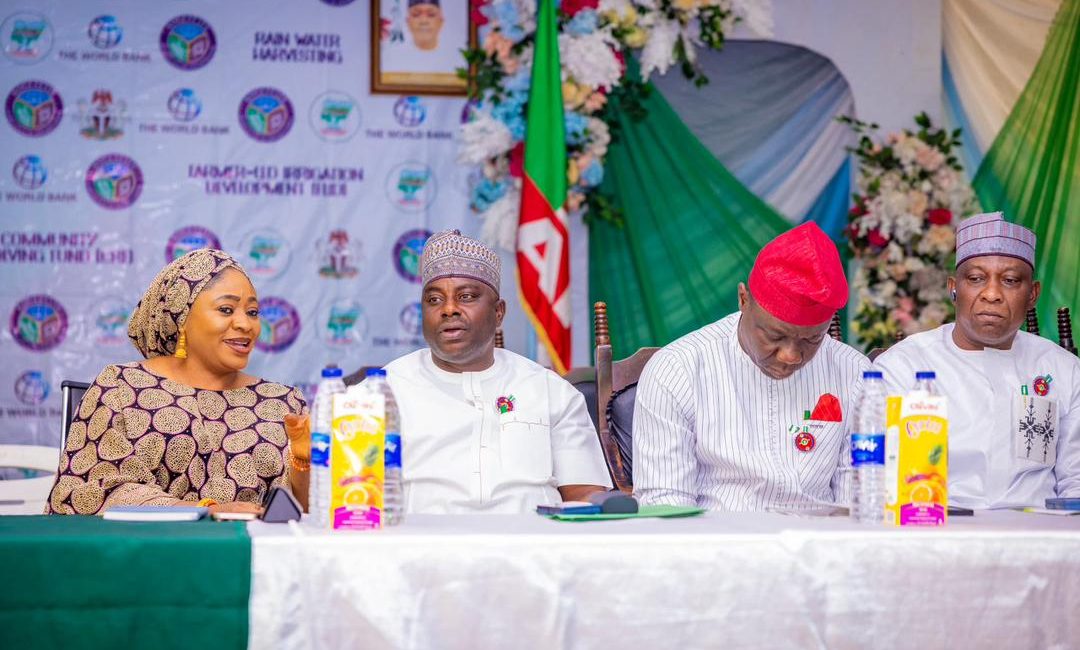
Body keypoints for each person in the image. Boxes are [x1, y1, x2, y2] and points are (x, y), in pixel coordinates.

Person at [46, 249, 311, 515]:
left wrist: (304, 462)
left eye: (253, 312)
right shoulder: (121, 387)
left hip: (256, 542)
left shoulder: (284, 402)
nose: (245, 324)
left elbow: (310, 510)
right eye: (226, 309)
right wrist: (206, 512)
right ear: (181, 317)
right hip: (146, 542)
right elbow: (93, 491)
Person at [633, 222, 872, 511]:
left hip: (818, 537)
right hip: (715, 536)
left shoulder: (855, 375)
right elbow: (666, 508)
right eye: (774, 336)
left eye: (812, 339)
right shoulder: (677, 371)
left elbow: (858, 504)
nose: (790, 356)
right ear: (743, 299)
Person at [380, 229, 611, 513]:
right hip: (420, 538)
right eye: (434, 300)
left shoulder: (551, 391)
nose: (449, 309)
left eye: (466, 296)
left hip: (533, 538)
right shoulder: (383, 391)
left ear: (499, 312)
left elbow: (584, 493)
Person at [875, 211, 1079, 508]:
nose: (992, 294)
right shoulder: (904, 366)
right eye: (975, 279)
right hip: (937, 525)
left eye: (1010, 280)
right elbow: (880, 477)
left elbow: (1076, 481)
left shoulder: (1063, 369)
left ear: (1032, 294)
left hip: (1038, 528)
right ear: (953, 288)